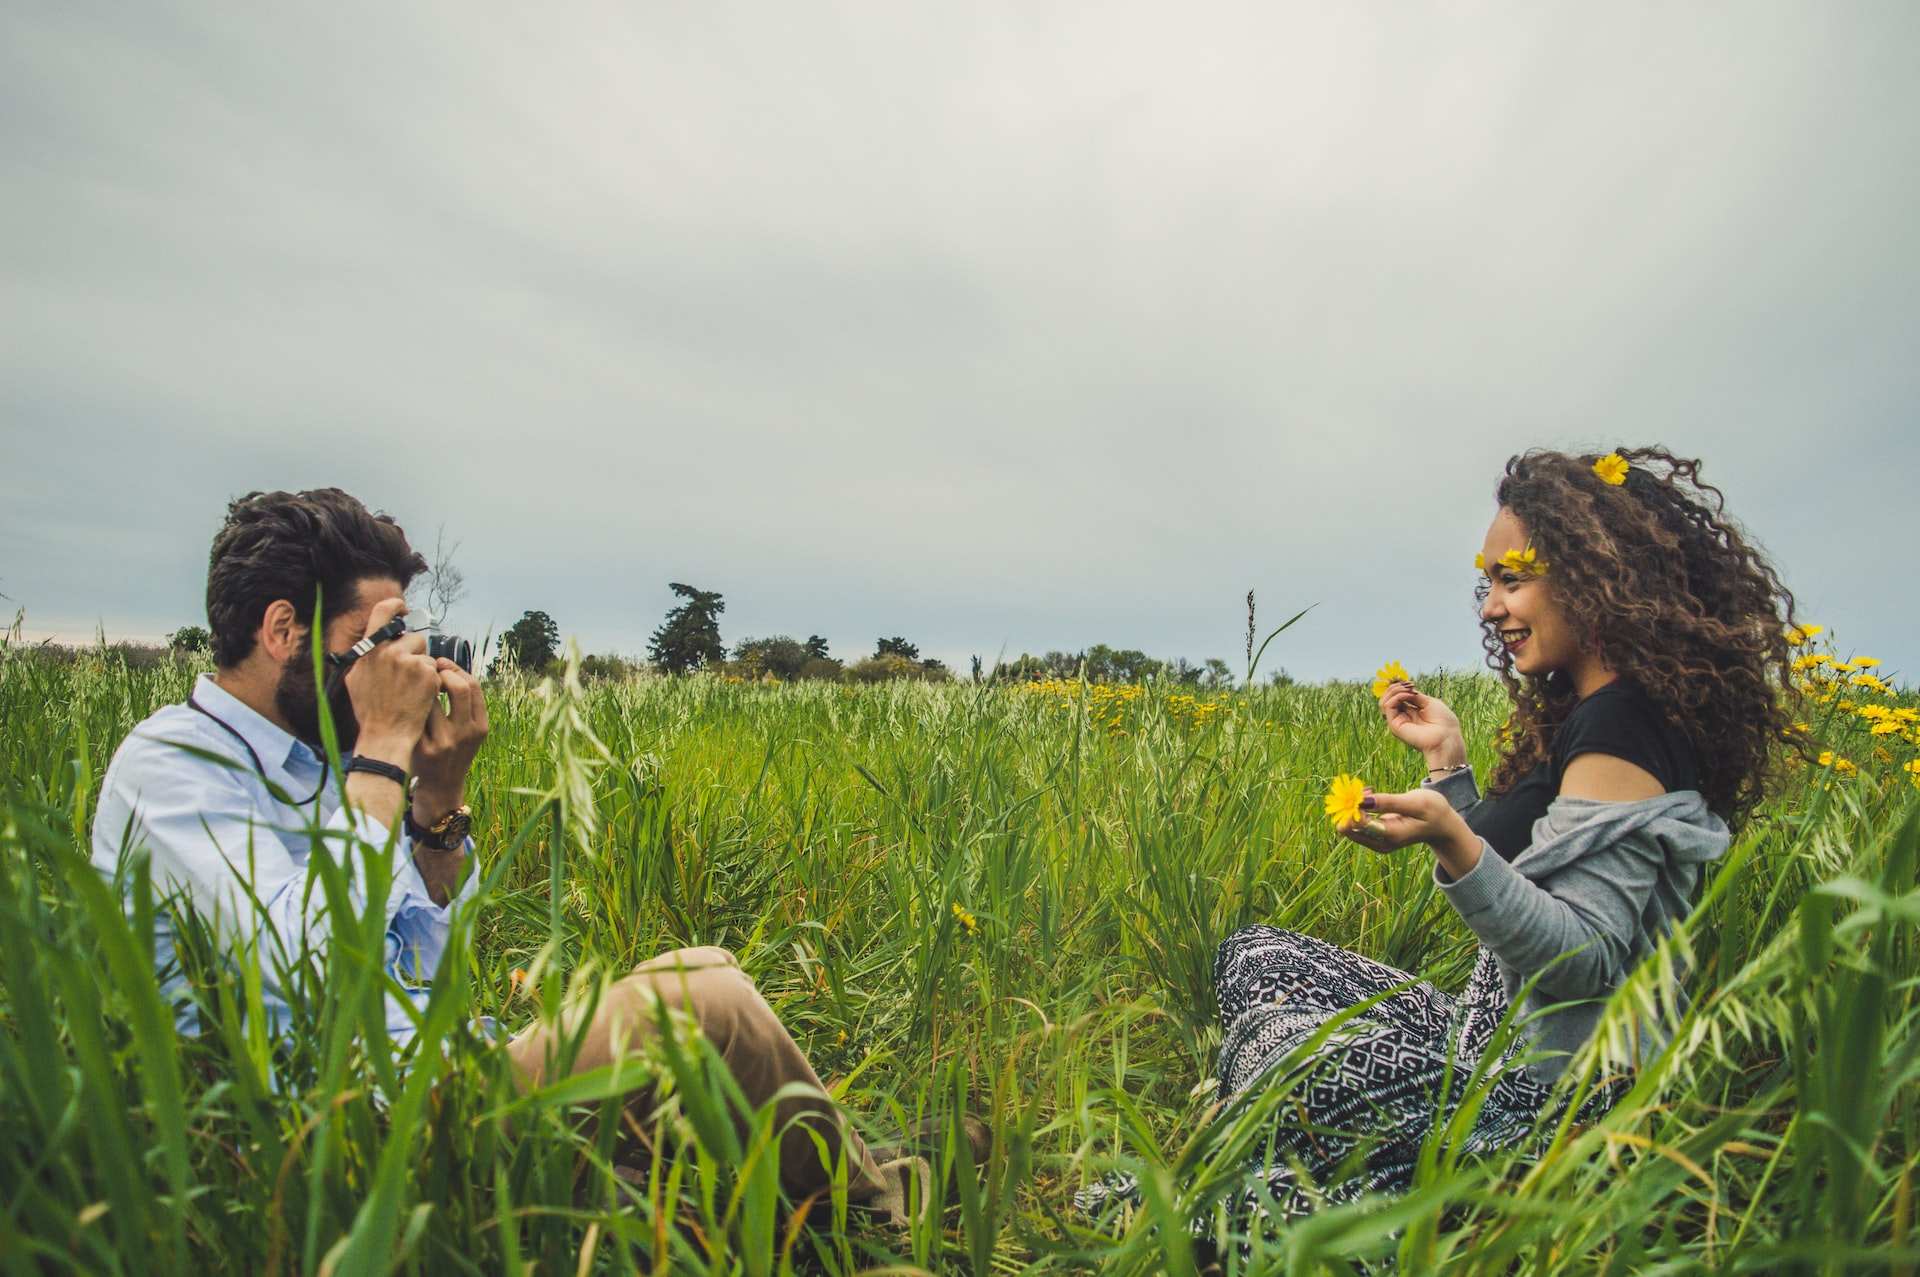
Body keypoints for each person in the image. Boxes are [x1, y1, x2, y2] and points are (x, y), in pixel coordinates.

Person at [90, 488, 944, 1223]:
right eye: (378, 642)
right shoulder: (170, 768)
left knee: (701, 963)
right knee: (704, 1003)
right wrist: (385, 749)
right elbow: (318, 969)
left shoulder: (326, 762)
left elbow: (426, 967)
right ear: (284, 629)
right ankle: (875, 1214)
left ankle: (813, 1188)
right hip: (339, 1140)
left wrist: (435, 802)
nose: (402, 668)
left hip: (436, 1071)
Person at [1075, 447, 1802, 1254]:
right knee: (1253, 957)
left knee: (1285, 1051)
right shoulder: (1591, 710)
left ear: (1596, 576)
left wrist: (1452, 843)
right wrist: (1448, 769)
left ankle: (1292, 1181)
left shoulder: (1622, 727)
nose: (1491, 607)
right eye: (1487, 581)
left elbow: (1581, 959)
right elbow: (1532, 869)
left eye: (1513, 578)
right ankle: (1294, 1149)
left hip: (1549, 1104)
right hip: (1486, 1036)